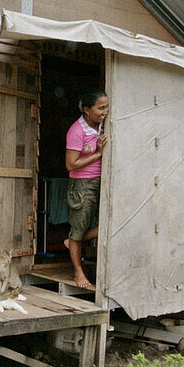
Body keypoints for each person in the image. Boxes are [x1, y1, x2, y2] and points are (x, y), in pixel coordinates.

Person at [63, 89, 109, 290]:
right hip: (82, 185)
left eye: (107, 107)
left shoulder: (102, 125)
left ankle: (72, 241)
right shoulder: (77, 131)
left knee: (108, 224)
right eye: (101, 108)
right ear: (87, 110)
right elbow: (71, 164)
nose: (105, 111)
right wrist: (98, 154)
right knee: (78, 228)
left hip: (102, 181)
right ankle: (78, 272)